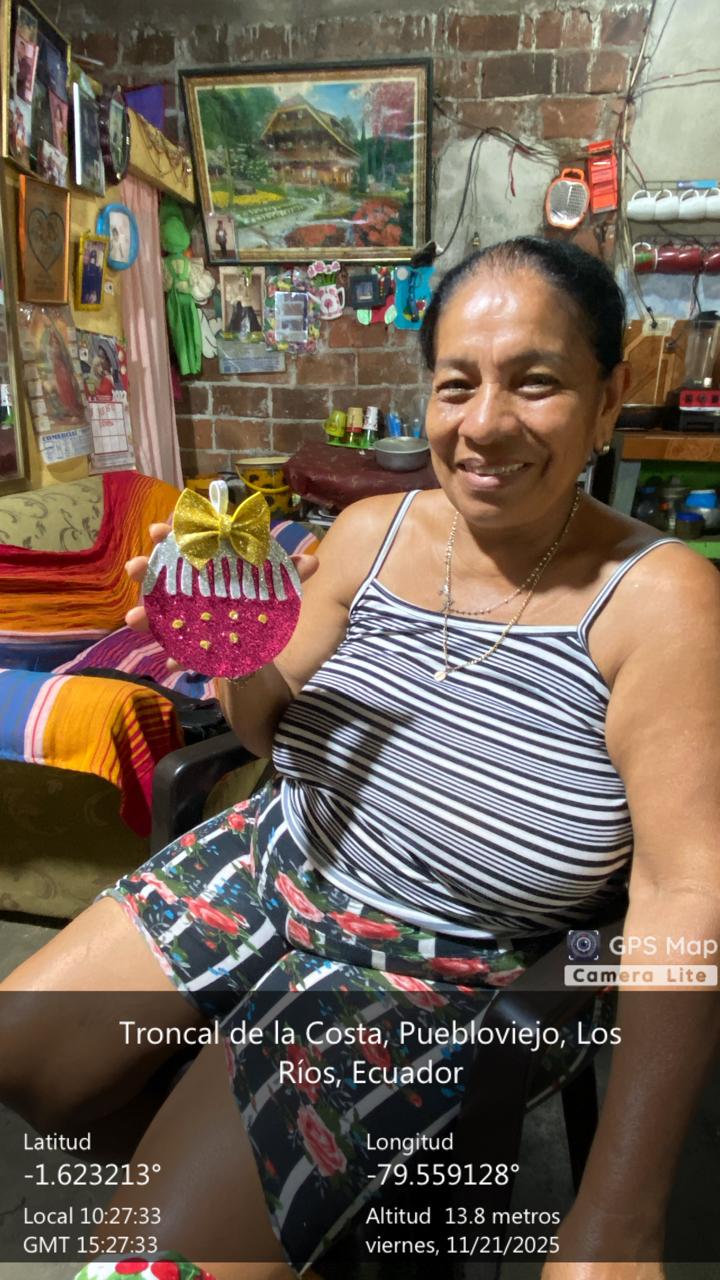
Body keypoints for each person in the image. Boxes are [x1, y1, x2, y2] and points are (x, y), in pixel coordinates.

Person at [2, 238, 719, 1280]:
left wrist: (620, 1212)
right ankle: (235, 1201)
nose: (485, 423)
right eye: (457, 384)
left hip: (435, 962)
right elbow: (269, 729)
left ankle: (209, 1207)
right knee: (27, 1057)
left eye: (536, 381)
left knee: (138, 1269)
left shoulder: (660, 603)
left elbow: (687, 890)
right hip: (269, 857)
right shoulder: (369, 534)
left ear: (607, 399)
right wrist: (229, 642)